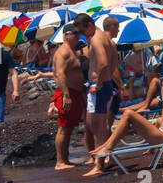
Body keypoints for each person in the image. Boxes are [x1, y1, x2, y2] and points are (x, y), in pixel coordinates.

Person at [75, 14, 119, 171]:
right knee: (95, 124)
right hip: (103, 84)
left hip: (98, 86)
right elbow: (114, 60)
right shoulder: (104, 38)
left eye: (83, 30)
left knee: (96, 125)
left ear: (90, 24)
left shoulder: (96, 39)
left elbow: (104, 63)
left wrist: (98, 83)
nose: (83, 34)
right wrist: (106, 79)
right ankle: (110, 157)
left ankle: (99, 165)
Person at [51, 24, 86, 170]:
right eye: (75, 34)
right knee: (63, 127)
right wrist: (66, 95)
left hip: (74, 92)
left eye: (79, 34)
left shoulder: (71, 51)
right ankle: (60, 162)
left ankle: (65, 159)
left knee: (70, 127)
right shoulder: (63, 52)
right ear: (66, 35)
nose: (78, 36)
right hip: (67, 93)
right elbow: (60, 73)